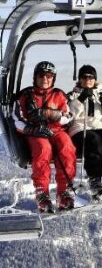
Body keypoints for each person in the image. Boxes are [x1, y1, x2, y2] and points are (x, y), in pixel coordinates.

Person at [13, 61, 76, 212]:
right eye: (42, 75)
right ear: (35, 77)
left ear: (53, 78)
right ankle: (42, 192)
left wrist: (55, 115)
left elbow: (68, 116)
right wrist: (34, 130)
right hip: (35, 132)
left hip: (56, 130)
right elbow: (18, 121)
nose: (45, 79)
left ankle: (64, 191)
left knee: (67, 146)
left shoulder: (58, 95)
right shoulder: (26, 95)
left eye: (49, 76)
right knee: (43, 148)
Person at [68, 64, 102, 199]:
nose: (88, 80)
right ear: (80, 79)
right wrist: (80, 100)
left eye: (91, 77)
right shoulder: (72, 95)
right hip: (81, 128)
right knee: (93, 141)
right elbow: (69, 114)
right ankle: (95, 180)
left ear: (95, 79)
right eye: (85, 77)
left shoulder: (100, 95)